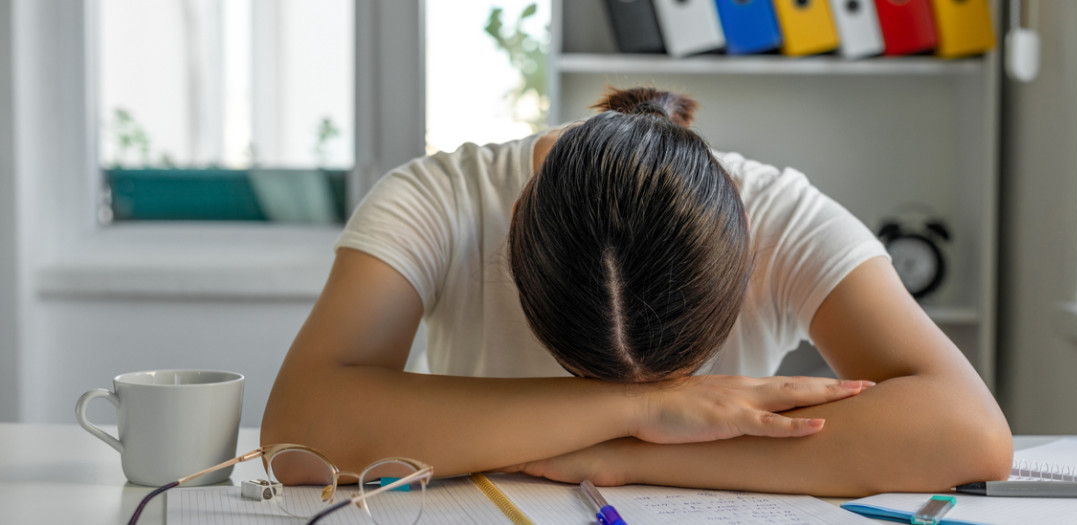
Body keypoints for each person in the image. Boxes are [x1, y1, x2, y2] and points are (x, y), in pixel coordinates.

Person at [261, 86, 1011, 496]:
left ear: (743, 235)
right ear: (516, 222)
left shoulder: (780, 212)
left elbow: (966, 431)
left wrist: (631, 454)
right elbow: (300, 433)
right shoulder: (438, 200)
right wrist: (640, 409)